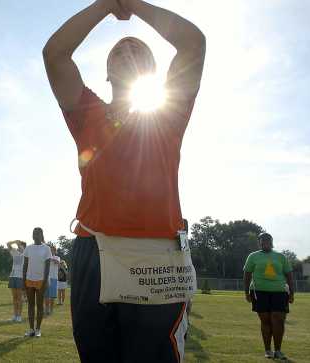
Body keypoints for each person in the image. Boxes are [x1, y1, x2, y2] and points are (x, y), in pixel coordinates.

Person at [43, 0, 205, 360]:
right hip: (93, 250)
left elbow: (193, 43)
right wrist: (104, 5)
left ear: (152, 71)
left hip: (156, 252)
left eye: (138, 49)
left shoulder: (168, 115)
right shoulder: (88, 114)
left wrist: (133, 4)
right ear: (106, 73)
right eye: (119, 49)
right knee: (96, 354)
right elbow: (56, 54)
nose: (127, 49)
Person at [244, 232, 294, 360]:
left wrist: (292, 293)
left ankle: (278, 350)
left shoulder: (281, 257)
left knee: (278, 320)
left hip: (280, 293)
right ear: (259, 242)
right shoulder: (252, 256)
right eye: (262, 240)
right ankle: (268, 350)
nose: (265, 242)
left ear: (272, 242)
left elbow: (289, 275)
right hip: (259, 292)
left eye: (267, 240)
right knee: (265, 321)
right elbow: (247, 274)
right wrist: (246, 292)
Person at [22, 227, 52, 337]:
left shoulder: (46, 249)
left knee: (39, 306)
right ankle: (31, 329)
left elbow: (47, 267)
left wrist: (45, 281)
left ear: (41, 235)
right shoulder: (28, 248)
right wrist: (23, 280)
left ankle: (38, 329)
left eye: (37, 234)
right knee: (30, 305)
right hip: (29, 280)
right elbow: (25, 265)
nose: (35, 235)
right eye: (34, 233)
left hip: (41, 281)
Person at [7, 240, 27, 322]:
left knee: (19, 297)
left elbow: (22, 249)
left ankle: (19, 315)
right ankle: (15, 315)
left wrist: (19, 244)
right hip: (13, 276)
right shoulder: (15, 252)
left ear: (23, 247)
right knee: (14, 297)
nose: (18, 246)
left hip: (20, 277)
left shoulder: (25, 253)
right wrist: (15, 241)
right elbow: (8, 244)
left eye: (20, 245)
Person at [44, 245, 60, 316]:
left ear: (55, 251)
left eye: (52, 250)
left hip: (54, 278)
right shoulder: (46, 257)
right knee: (46, 295)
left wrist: (50, 258)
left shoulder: (57, 257)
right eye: (50, 250)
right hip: (46, 277)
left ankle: (51, 310)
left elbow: (57, 263)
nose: (51, 251)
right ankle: (46, 309)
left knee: (52, 296)